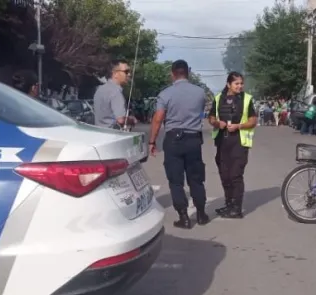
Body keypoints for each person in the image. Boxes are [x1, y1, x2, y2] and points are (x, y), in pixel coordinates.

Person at [148, 60, 210, 229]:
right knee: (196, 179)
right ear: (188, 72)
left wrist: (152, 141)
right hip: (193, 139)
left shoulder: (165, 94)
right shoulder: (200, 92)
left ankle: (183, 217)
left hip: (174, 140)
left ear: (172, 74)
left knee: (176, 181)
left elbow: (158, 118)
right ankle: (202, 214)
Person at [208, 72, 257, 219]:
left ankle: (237, 209)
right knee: (225, 175)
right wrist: (217, 123)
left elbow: (253, 121)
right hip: (222, 142)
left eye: (241, 83)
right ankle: (228, 204)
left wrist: (239, 126)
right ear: (228, 84)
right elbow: (211, 118)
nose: (240, 86)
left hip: (239, 143)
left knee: (235, 175)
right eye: (237, 83)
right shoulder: (218, 98)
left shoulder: (246, 99)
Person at [93, 59, 137, 129]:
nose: (129, 74)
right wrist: (132, 120)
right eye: (126, 72)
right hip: (113, 134)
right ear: (115, 74)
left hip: (100, 133)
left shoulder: (100, 89)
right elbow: (121, 120)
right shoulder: (115, 92)